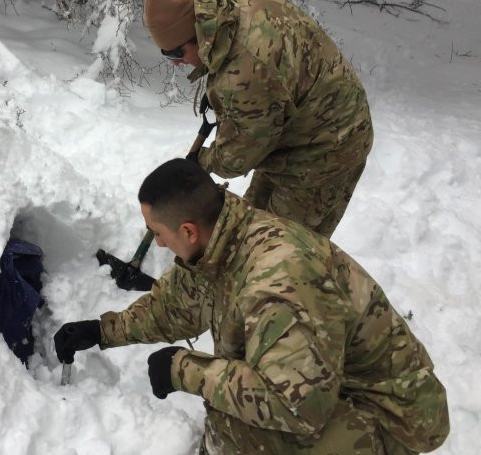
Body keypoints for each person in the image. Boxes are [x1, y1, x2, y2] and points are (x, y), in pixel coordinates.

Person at [55, 159, 448, 455]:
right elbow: (175, 307)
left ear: (188, 230)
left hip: (392, 413)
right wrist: (101, 331)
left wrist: (184, 369)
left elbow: (297, 407)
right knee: (233, 400)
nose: (156, 244)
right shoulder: (221, 240)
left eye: (158, 233)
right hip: (325, 376)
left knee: (238, 425)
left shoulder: (275, 280)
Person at [143, 0, 373, 237]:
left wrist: (201, 161)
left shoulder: (245, 74)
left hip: (329, 148)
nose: (175, 64)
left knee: (282, 247)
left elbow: (237, 156)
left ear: (196, 36)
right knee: (251, 226)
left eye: (175, 54)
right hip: (301, 122)